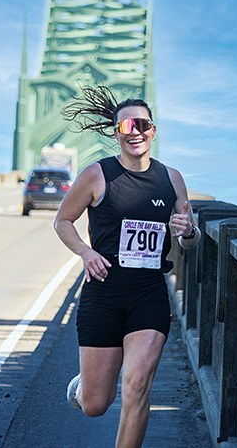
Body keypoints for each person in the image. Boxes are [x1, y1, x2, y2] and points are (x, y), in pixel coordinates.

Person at [54, 86, 198, 448]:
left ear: (153, 130)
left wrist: (188, 231)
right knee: (96, 405)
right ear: (116, 132)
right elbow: (63, 221)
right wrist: (86, 253)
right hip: (104, 294)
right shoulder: (96, 175)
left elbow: (190, 236)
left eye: (142, 124)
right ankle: (84, 386)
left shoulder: (172, 178)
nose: (134, 131)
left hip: (149, 294)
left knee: (135, 388)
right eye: (125, 126)